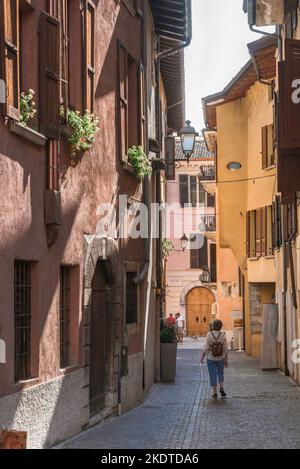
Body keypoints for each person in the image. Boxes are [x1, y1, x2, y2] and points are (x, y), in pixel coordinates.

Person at [200, 319, 228, 400]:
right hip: (220, 358)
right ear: (220, 326)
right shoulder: (222, 335)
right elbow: (225, 348)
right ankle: (221, 387)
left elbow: (206, 347)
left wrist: (202, 357)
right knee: (220, 373)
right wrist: (226, 359)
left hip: (211, 358)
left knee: (212, 374)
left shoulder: (209, 334)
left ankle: (214, 392)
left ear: (213, 326)